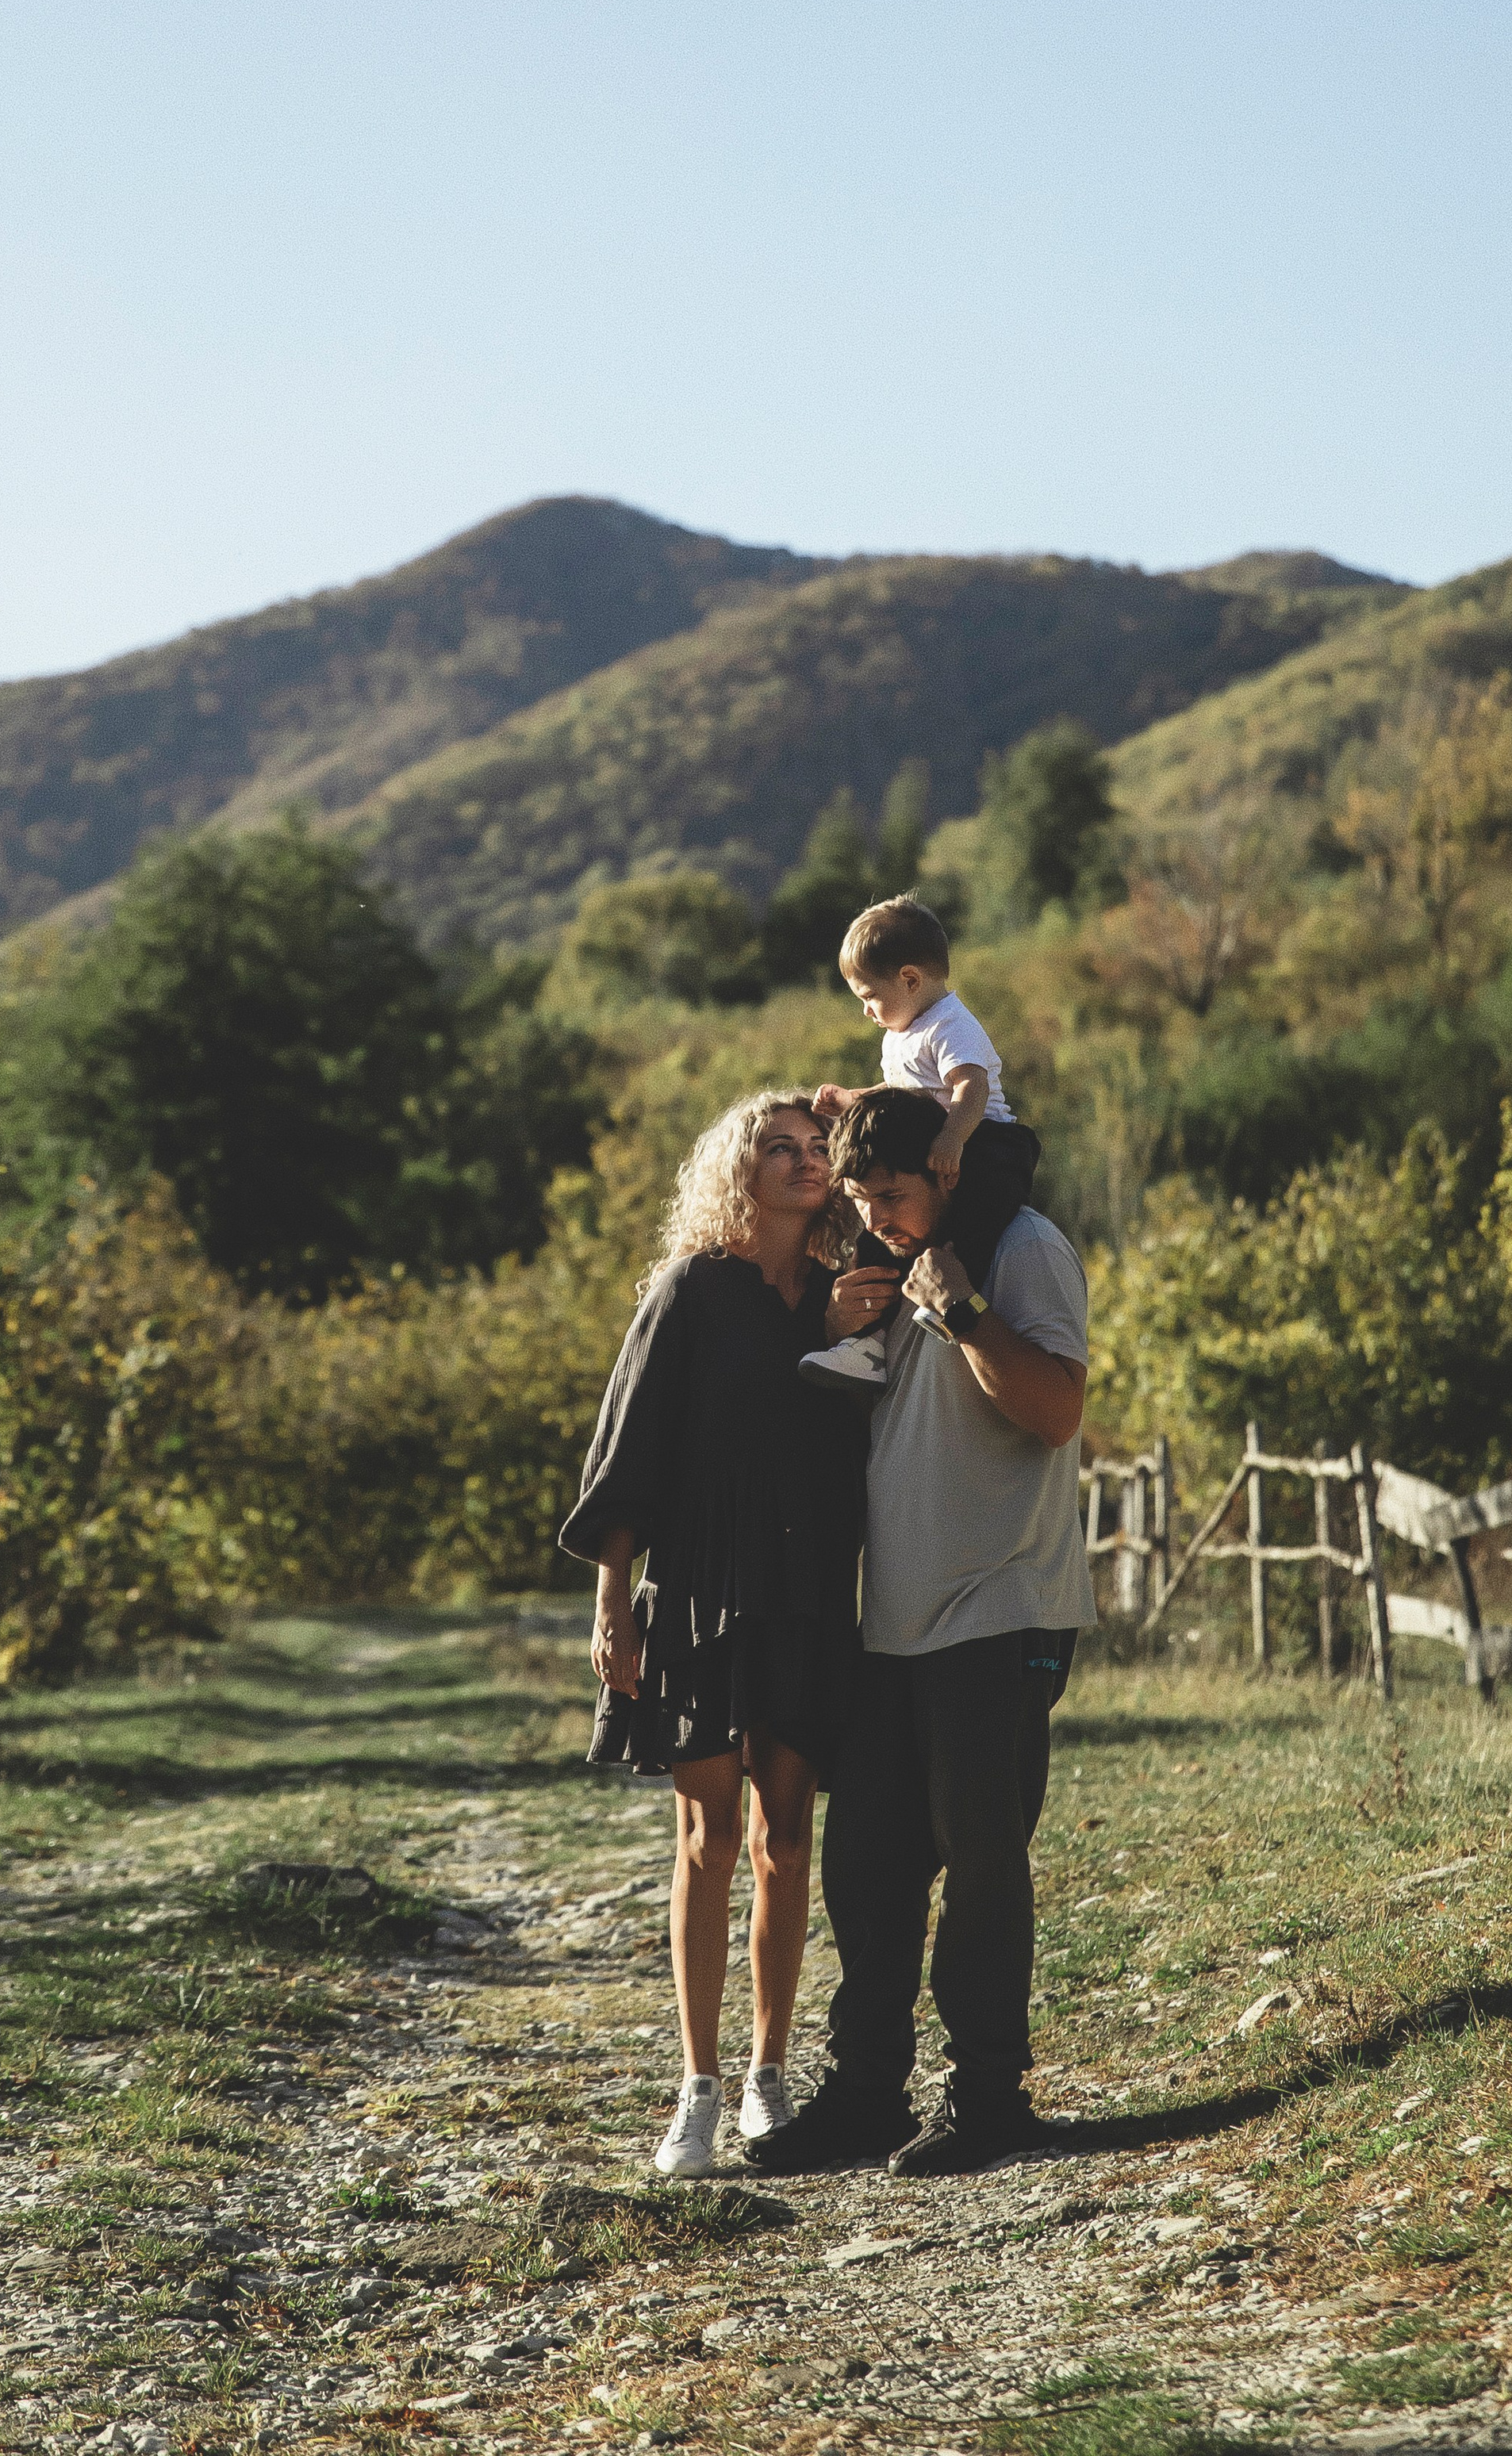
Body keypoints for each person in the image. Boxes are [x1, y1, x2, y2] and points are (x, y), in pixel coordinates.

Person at [749, 1084, 1096, 2181]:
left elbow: (1057, 1413)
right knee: (866, 1866)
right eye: (861, 1201)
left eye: (892, 1195)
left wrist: (966, 1312)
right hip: (893, 1623)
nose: (878, 1218)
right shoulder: (885, 1265)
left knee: (983, 1864)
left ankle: (990, 2099)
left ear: (945, 1171)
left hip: (1001, 1607)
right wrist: (840, 1334)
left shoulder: (1023, 1247)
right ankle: (864, 2097)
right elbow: (893, 1425)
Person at [558, 1093, 866, 2179]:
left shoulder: (843, 1294)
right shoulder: (689, 1290)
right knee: (710, 1836)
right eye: (778, 1147)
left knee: (788, 1840)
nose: (802, 1161)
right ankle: (696, 2089)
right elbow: (628, 1452)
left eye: (817, 1146)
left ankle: (766, 2078)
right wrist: (613, 1602)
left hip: (809, 1593)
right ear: (738, 1170)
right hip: (699, 1590)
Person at [800, 894, 1040, 1393]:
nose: (867, 1011)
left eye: (869, 996)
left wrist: (953, 1138)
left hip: (987, 1142)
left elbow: (971, 1086)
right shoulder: (900, 1034)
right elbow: (897, 1092)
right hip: (932, 1144)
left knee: (976, 1220)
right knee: (874, 1237)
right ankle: (868, 1343)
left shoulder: (950, 1024)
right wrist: (850, 1099)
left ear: (910, 980)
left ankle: (955, 1298)